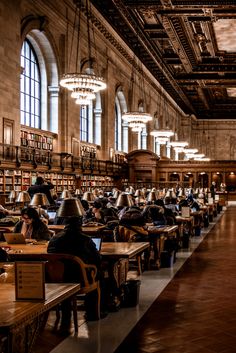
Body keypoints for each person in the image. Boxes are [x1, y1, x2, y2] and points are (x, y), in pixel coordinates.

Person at [47, 216, 106, 330]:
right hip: (79, 278)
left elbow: (51, 255)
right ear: (80, 225)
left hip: (56, 278)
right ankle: (92, 313)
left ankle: (65, 316)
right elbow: (97, 258)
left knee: (71, 273)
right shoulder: (85, 239)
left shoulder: (54, 239)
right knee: (99, 275)